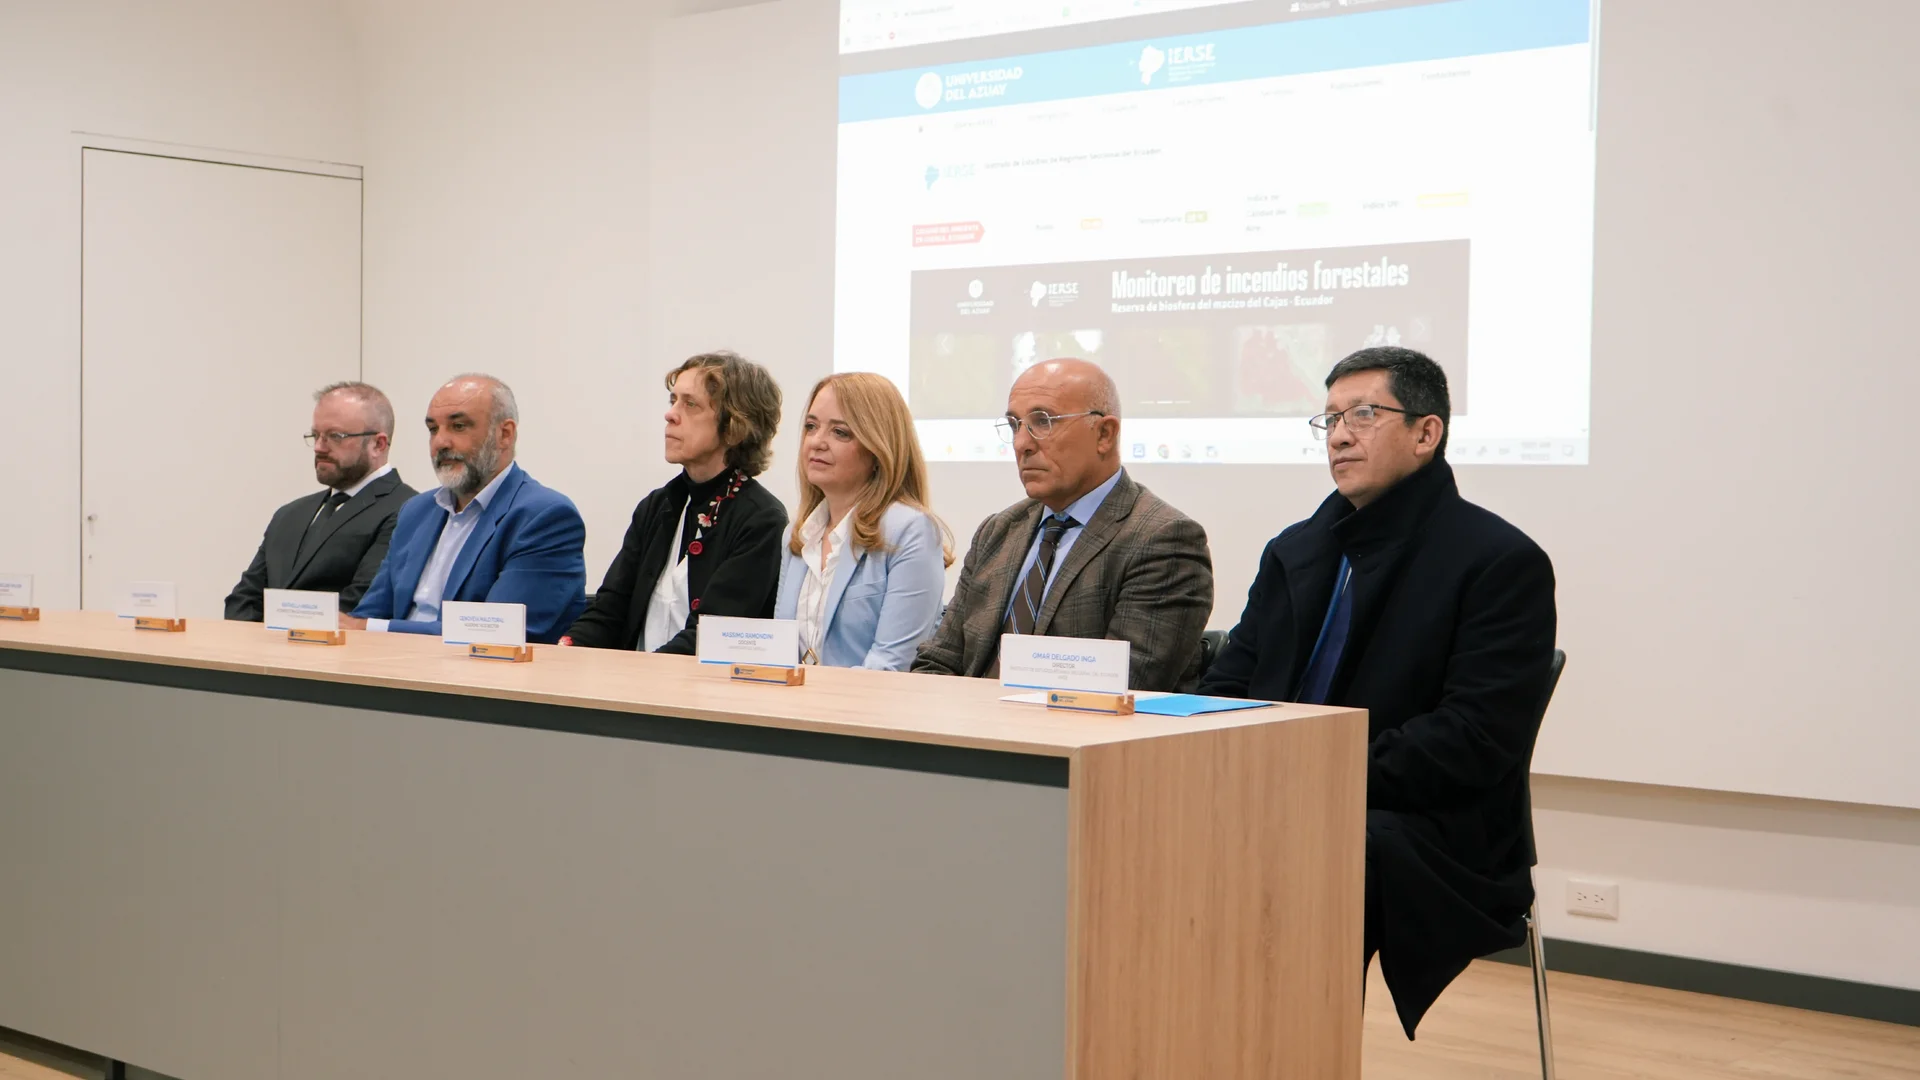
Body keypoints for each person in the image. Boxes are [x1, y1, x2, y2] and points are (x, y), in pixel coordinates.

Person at [1198, 346, 1557, 1039]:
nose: (1339, 436)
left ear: (1427, 433)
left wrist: (1312, 771)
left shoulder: (1498, 561)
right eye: (1330, 419)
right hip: (1281, 787)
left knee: (1314, 851)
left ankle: (1288, 1050)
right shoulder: (1297, 549)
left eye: (1363, 415)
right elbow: (1227, 684)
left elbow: (1471, 740)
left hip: (1422, 822)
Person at [912, 357, 1213, 691]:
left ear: (1104, 434)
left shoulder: (1163, 539)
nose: (1021, 444)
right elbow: (936, 662)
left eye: (1043, 421)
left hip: (1066, 724)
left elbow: (1123, 689)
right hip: (968, 720)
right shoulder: (998, 531)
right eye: (1014, 425)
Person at [560, 351, 787, 653]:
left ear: (734, 427)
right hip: (638, 678)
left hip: (698, 682)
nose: (670, 415)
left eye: (690, 404)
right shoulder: (656, 506)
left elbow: (710, 636)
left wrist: (634, 675)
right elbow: (609, 610)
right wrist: (567, 648)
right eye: (673, 400)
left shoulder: (761, 520)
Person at [348, 374, 588, 643]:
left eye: (458, 426)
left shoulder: (544, 517)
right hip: (390, 662)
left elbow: (495, 634)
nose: (440, 442)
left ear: (505, 434)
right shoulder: (416, 512)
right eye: (433, 429)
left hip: (475, 668)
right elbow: (368, 615)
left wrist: (371, 628)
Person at [773, 373, 951, 670]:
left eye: (840, 432)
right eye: (811, 427)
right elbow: (780, 650)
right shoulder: (797, 533)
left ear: (878, 449)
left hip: (868, 699)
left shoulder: (910, 530)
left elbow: (891, 664)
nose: (816, 442)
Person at [225, 382, 416, 620]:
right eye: (316, 435)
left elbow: (361, 603)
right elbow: (244, 598)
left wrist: (278, 634)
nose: (319, 447)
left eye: (335, 436)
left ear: (378, 444)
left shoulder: (408, 510)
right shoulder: (290, 514)